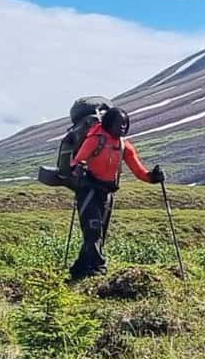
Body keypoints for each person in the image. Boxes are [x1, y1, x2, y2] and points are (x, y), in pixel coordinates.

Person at [66, 106, 163, 283]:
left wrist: (153, 178)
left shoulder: (124, 146)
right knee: (94, 231)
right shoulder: (95, 139)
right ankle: (98, 270)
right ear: (109, 123)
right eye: (120, 123)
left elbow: (139, 172)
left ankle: (79, 270)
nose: (123, 127)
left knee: (97, 233)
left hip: (107, 193)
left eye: (125, 124)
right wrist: (78, 167)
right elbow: (77, 160)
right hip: (88, 190)